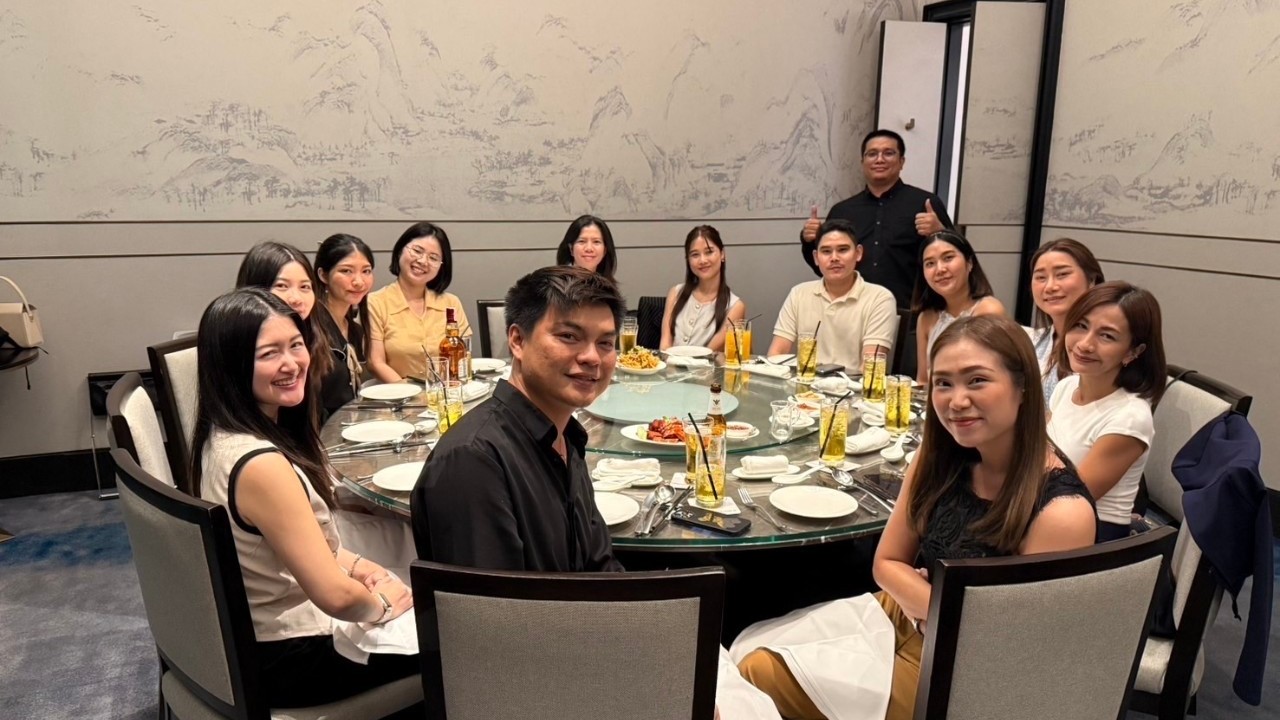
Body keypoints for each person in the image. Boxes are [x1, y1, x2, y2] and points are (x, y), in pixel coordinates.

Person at [737, 315, 1096, 720]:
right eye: (943, 383)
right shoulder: (941, 455)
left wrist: (930, 603)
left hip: (965, 673)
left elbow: (1012, 646)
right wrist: (937, 603)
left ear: (1024, 388)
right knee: (745, 648)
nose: (956, 401)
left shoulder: (1060, 511)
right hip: (904, 614)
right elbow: (886, 563)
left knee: (757, 673)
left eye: (976, 380)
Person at [188, 288, 416, 707]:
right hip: (293, 657)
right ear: (230, 365)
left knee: (405, 568)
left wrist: (365, 568)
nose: (291, 363)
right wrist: (385, 605)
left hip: (270, 634)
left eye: (296, 345)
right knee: (460, 634)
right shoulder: (260, 465)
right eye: (268, 353)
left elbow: (305, 543)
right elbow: (337, 597)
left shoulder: (220, 436)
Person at [410, 266, 625, 572]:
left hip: (587, 615)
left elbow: (600, 566)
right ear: (517, 340)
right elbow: (493, 613)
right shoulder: (473, 459)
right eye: (569, 336)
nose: (592, 357)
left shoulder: (567, 438)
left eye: (605, 343)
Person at [1047, 282, 1166, 542]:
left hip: (1091, 533)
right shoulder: (1067, 386)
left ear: (1134, 351)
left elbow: (1072, 497)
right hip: (1052, 517)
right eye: (1081, 326)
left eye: (1107, 336)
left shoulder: (1130, 416)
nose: (1085, 344)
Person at [799, 129, 953, 308]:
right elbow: (824, 267)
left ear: (901, 161)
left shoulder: (925, 204)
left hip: (910, 311)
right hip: (852, 310)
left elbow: (959, 258)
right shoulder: (842, 210)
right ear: (862, 162)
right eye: (872, 154)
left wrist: (940, 231)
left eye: (888, 153)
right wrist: (809, 240)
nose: (879, 159)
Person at [768, 218, 896, 372]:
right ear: (816, 257)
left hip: (852, 392)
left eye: (843, 250)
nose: (834, 258)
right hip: (804, 390)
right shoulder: (799, 293)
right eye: (826, 251)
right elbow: (776, 354)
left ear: (858, 253)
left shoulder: (880, 298)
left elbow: (869, 369)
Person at [235, 241, 336, 417]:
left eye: (305, 287)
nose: (296, 298)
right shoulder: (240, 342)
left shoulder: (312, 333)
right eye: (282, 286)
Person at [367, 222, 471, 383]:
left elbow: (464, 356)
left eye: (433, 258)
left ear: (441, 267)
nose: (423, 261)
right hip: (399, 399)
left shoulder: (451, 303)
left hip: (448, 397)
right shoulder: (376, 302)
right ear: (400, 250)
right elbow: (375, 362)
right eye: (417, 251)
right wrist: (412, 395)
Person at [911, 230, 1005, 383]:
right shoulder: (927, 318)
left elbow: (994, 379)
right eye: (930, 263)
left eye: (948, 258)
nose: (940, 269)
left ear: (969, 263)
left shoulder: (988, 310)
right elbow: (923, 380)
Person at [1028, 238, 1105, 404]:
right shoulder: (1034, 340)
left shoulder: (1100, 346)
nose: (1050, 287)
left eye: (1062, 274)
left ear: (1091, 281)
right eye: (1041, 277)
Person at [659, 225, 747, 351]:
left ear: (722, 254)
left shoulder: (735, 306)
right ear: (688, 260)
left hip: (707, 370)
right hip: (669, 368)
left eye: (709, 252)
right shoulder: (675, 293)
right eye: (695, 255)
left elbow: (709, 354)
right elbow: (665, 344)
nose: (702, 260)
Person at [314, 233, 374, 408]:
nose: (358, 281)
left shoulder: (355, 329)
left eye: (366, 271)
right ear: (323, 275)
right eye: (346, 271)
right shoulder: (313, 327)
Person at [556, 214, 618, 280]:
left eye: (596, 242)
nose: (589, 248)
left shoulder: (608, 287)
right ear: (571, 249)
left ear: (605, 250)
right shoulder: (556, 286)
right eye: (582, 241)